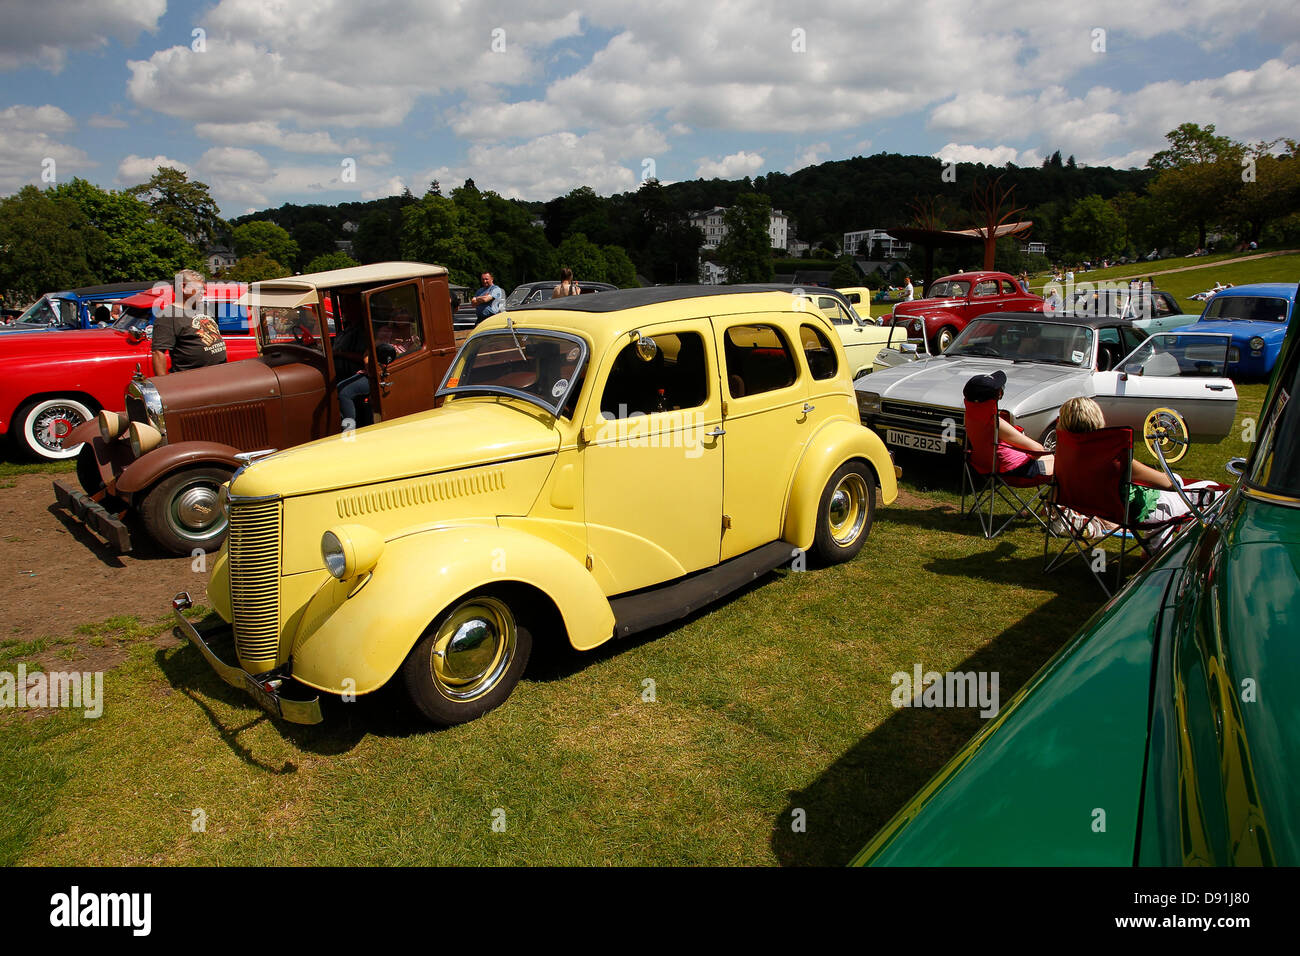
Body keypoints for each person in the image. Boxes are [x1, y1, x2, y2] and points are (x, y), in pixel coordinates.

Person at [1056, 396, 1224, 530]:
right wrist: (1176, 478)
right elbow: (1170, 484)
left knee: (1165, 500)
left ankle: (1156, 546)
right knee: (1212, 490)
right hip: (1128, 514)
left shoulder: (1065, 454)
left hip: (1088, 506)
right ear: (1097, 419)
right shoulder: (1112, 458)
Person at [963, 371, 1054, 477]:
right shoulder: (994, 422)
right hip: (1014, 470)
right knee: (1059, 462)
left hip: (984, 465)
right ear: (998, 396)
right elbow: (1037, 449)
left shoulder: (969, 417)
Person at [152, 269, 227, 375]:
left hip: (217, 374)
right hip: (192, 380)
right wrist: (164, 386)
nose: (204, 292)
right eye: (199, 288)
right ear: (183, 287)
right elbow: (158, 353)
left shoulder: (203, 307)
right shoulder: (168, 315)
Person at [332, 315, 372, 428]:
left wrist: (339, 353)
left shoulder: (413, 339)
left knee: (344, 391)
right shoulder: (384, 332)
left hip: (381, 373)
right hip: (367, 370)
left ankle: (349, 430)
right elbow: (366, 354)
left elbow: (364, 355)